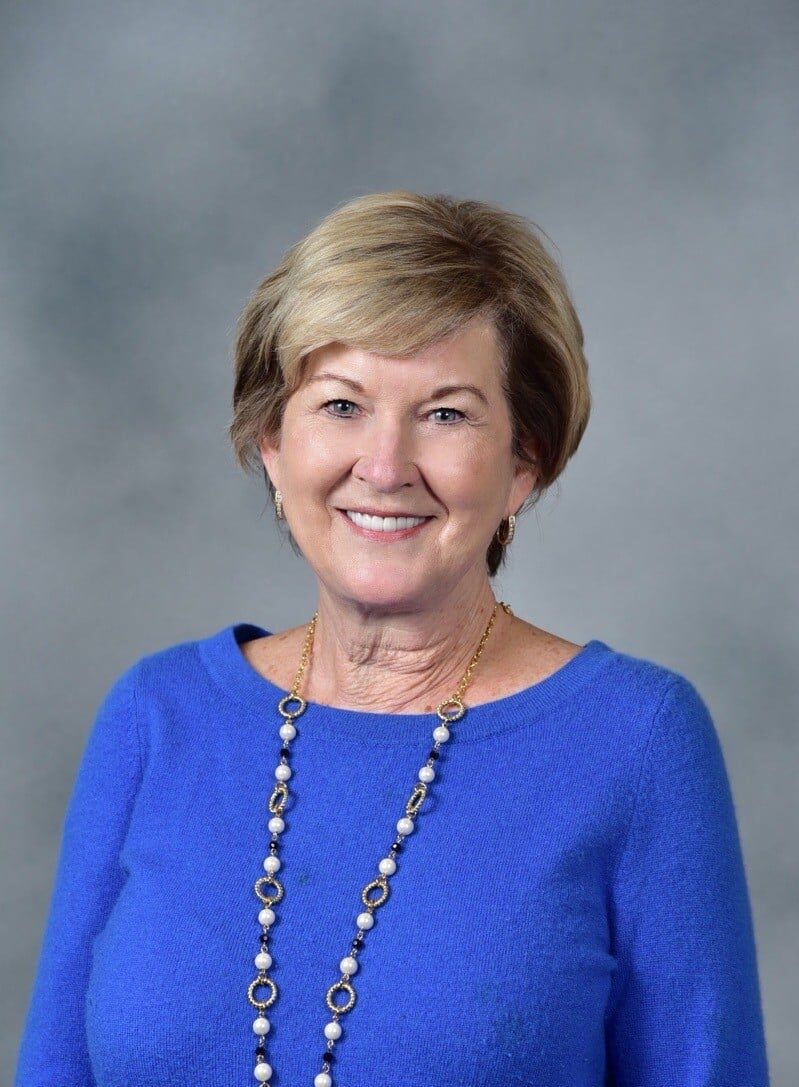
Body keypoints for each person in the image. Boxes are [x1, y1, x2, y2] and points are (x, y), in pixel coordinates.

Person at [14, 190, 770, 1087]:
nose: (383, 465)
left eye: (445, 413)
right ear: (271, 440)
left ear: (523, 462)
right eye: (340, 405)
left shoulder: (634, 737)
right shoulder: (155, 715)